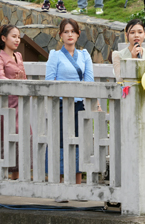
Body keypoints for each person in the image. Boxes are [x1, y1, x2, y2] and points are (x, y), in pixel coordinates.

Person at [45, 19, 94, 185]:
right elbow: (49, 81)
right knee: (59, 142)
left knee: (79, 141)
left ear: (78, 34)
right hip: (59, 104)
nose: (70, 34)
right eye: (66, 31)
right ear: (61, 35)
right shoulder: (55, 55)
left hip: (79, 104)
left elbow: (89, 81)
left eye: (73, 31)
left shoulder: (84, 55)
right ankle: (59, 185)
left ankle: (77, 184)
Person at [0, 24, 26, 180]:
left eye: (18, 37)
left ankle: (17, 178)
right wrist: (13, 84)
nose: (17, 40)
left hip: (20, 102)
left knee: (23, 137)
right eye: (14, 36)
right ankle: (3, 178)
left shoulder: (18, 56)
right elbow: (0, 76)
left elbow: (23, 78)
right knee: (7, 137)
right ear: (4, 38)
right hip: (7, 103)